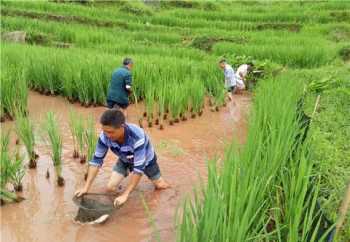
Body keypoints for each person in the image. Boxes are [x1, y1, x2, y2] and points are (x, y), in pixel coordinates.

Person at [75, 109, 169, 207]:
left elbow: (138, 169)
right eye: (104, 131)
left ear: (122, 127)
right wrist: (86, 187)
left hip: (146, 160)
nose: (107, 135)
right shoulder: (104, 137)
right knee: (110, 188)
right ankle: (122, 203)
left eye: (111, 132)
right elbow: (96, 161)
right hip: (125, 159)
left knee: (160, 186)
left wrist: (125, 194)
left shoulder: (137, 137)